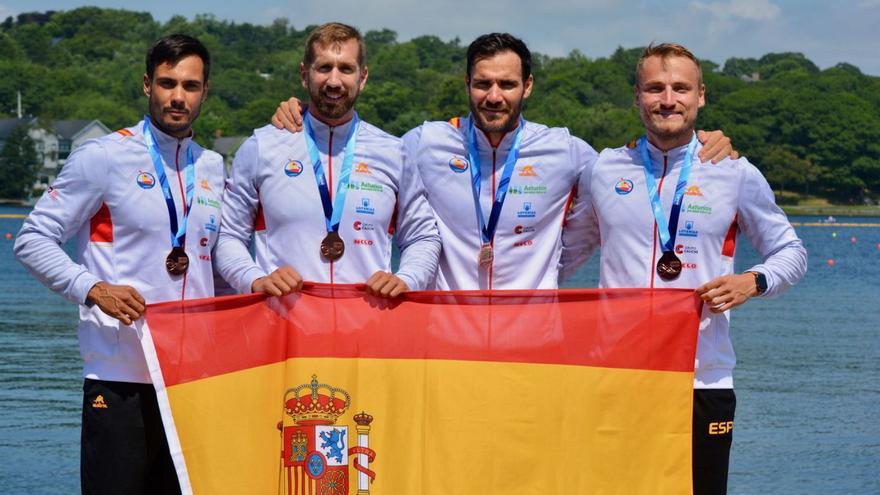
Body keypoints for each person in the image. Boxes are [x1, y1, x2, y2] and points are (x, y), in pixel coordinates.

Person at [271, 33, 736, 290]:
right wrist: (297, 114)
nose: (494, 96)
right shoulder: (420, 143)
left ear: (527, 86)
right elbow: (353, 145)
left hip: (533, 338)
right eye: (482, 83)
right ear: (467, 83)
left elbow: (639, 173)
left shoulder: (567, 150)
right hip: (442, 336)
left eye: (507, 84)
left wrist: (707, 144)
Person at [560, 43, 808, 494]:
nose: (668, 99)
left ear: (701, 96)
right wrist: (478, 294)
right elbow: (559, 259)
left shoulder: (734, 171)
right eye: (655, 88)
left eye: (680, 88)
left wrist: (752, 281)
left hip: (703, 378)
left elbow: (791, 252)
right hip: (618, 376)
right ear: (637, 96)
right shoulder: (603, 169)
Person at [14, 34, 224, 494]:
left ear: (205, 92)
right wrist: (93, 288)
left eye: (190, 86)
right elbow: (32, 239)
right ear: (147, 84)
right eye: (167, 83)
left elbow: (218, 264)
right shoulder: (103, 156)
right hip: (119, 375)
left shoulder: (213, 166)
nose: (177, 96)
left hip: (192, 383)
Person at [215, 22, 440, 298]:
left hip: (367, 326)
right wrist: (255, 279)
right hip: (284, 328)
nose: (334, 81)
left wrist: (407, 278)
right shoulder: (262, 146)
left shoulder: (393, 151)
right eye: (324, 68)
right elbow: (228, 237)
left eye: (346, 68)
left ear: (363, 77)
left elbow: (423, 237)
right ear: (304, 74)